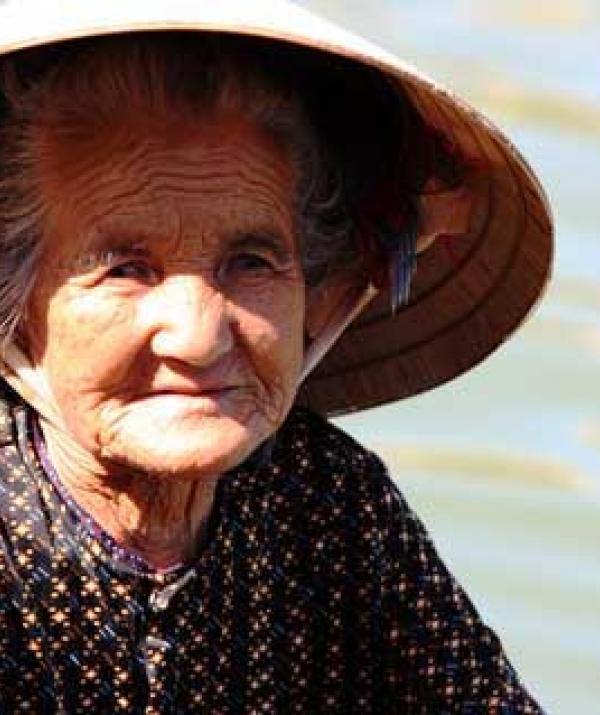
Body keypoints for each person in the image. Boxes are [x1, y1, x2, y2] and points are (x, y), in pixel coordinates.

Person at [0, 2, 553, 713]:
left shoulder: (327, 505)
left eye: (251, 263)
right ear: (19, 302)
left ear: (319, 297)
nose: (199, 337)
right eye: (126, 270)